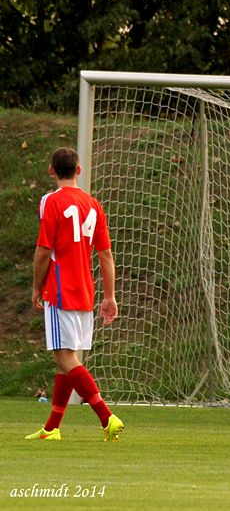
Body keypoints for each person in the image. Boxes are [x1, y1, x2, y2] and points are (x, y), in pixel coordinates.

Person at [26, 147, 124, 442]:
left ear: (51, 171)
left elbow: (44, 249)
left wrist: (36, 286)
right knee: (65, 359)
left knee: (65, 357)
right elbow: (105, 254)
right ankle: (52, 427)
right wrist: (110, 296)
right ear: (79, 170)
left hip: (59, 290)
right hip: (85, 290)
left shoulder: (50, 201)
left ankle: (107, 417)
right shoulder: (94, 205)